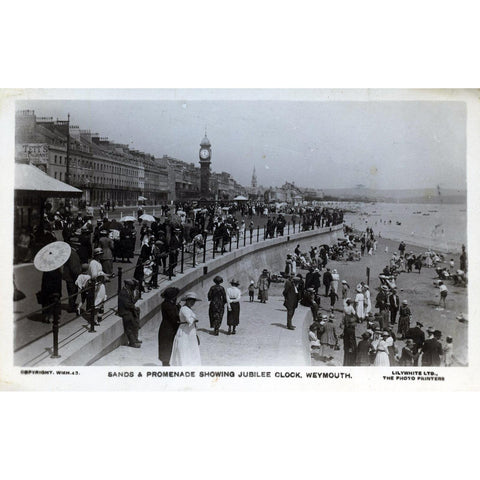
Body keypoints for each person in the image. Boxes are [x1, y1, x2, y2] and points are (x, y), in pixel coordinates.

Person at [170, 291, 201, 366]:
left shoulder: (189, 309)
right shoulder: (184, 309)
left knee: (191, 348)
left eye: (193, 301)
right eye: (190, 300)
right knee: (184, 348)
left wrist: (193, 318)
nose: (192, 302)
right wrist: (194, 318)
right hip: (185, 331)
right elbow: (189, 320)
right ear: (186, 300)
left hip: (190, 331)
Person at [158, 287, 181, 366]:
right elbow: (174, 317)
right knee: (167, 347)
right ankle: (166, 364)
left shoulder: (167, 304)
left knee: (167, 347)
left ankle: (166, 363)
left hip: (167, 328)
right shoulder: (168, 305)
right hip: (168, 329)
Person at [118, 279, 141, 348]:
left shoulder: (128, 291)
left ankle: (135, 339)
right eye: (131, 286)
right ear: (127, 285)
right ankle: (132, 342)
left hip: (128, 310)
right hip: (124, 311)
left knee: (135, 323)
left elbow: (131, 302)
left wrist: (137, 296)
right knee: (129, 326)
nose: (132, 287)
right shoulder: (123, 293)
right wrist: (134, 307)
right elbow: (127, 304)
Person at [62, 244, 82, 313]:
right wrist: (78, 275)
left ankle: (72, 304)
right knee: (73, 291)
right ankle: (71, 306)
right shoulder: (73, 254)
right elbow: (74, 267)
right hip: (72, 276)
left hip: (69, 276)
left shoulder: (70, 252)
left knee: (71, 291)